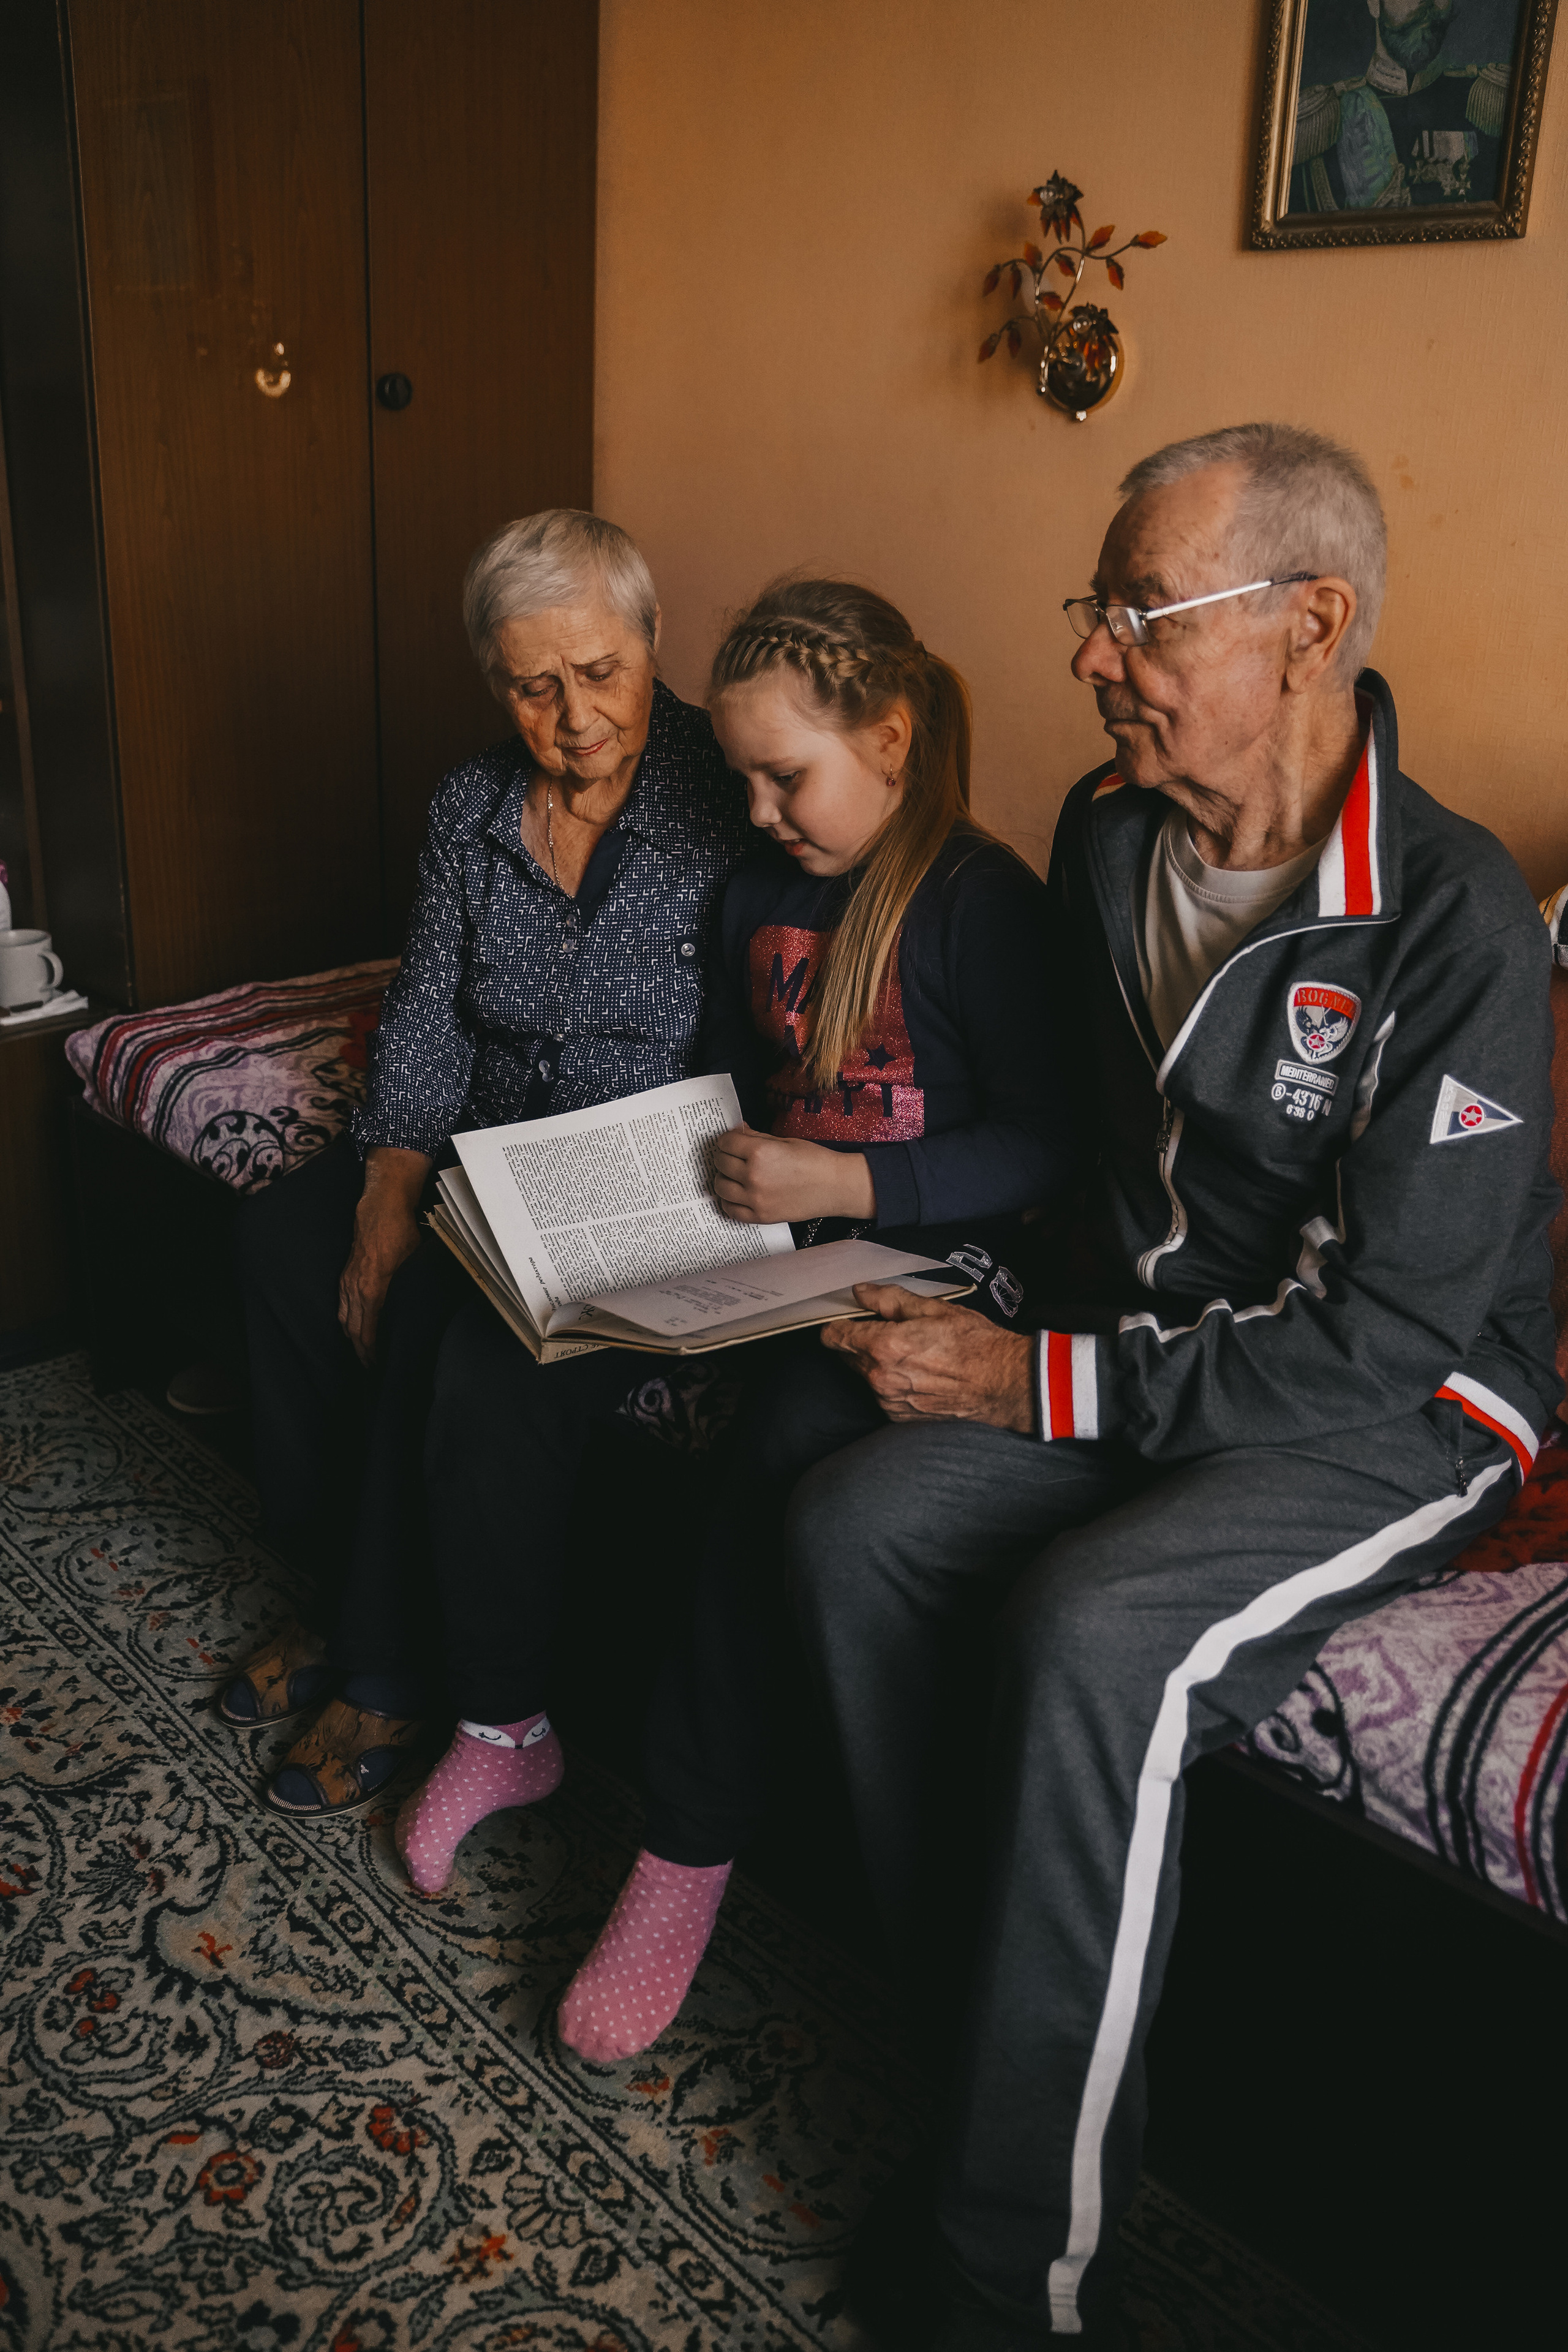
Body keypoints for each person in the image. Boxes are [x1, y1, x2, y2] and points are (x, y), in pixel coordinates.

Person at [785, 423, 1561, 2348]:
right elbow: (1096, 1156)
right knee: (853, 1526)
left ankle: (1008, 2278)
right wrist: (926, 1277)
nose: (1091, 657)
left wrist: (1037, 1385)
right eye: (1099, 608)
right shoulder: (1107, 833)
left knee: (1090, 1630)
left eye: (1143, 614)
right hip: (1163, 1359)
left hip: (1409, 1406)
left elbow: (1389, 1334)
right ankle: (989, 2046)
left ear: (1311, 626)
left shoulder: (1454, 924)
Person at [391, 582, 1080, 2005]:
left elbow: (1046, 1138)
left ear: (889, 740)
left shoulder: (977, 903)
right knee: (501, 1337)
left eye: (788, 777)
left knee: (782, 1435)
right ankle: (503, 1718)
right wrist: (628, 1182)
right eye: (748, 778)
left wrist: (846, 1190)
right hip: (759, 1220)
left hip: (930, 1247)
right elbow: (720, 1067)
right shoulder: (761, 891)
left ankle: (684, 1853)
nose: (759, 809)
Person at [224, 509, 751, 1815]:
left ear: (651, 640)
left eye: (599, 673)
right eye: (532, 685)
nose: (572, 718)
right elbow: (428, 1010)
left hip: (646, 1170)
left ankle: (389, 1667)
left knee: (448, 1317)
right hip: (481, 1142)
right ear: (493, 682)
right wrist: (388, 1180)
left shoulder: (726, 794)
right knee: (285, 1254)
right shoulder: (473, 809)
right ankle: (338, 1586)